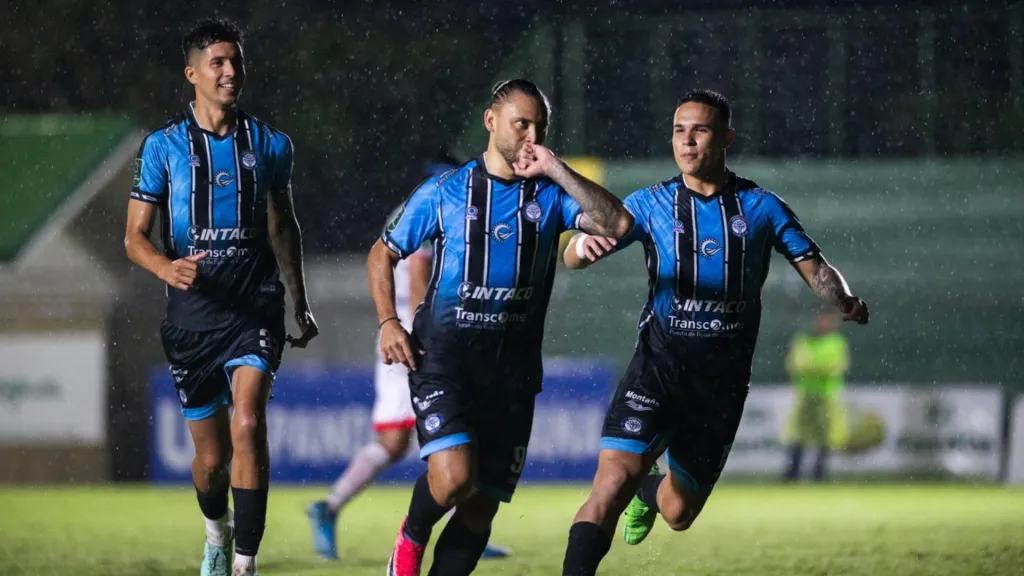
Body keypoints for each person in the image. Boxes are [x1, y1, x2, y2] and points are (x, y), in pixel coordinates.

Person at [558, 89, 869, 575]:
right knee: (608, 486)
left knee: (678, 514)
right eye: (679, 131)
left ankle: (650, 489)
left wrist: (844, 299)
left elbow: (815, 267)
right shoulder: (651, 204)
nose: (687, 141)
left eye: (699, 130)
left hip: (719, 388)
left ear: (726, 137)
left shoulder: (762, 208)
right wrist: (581, 249)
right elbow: (574, 253)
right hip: (656, 373)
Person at [368, 79, 634, 576]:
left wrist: (555, 166)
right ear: (491, 122)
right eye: (521, 123)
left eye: (540, 127)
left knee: (480, 505)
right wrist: (389, 321)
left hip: (511, 371)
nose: (531, 134)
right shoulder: (447, 191)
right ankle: (411, 535)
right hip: (444, 359)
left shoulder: (550, 197)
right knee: (453, 479)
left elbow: (617, 224)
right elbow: (383, 252)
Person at [123, 18, 318, 576]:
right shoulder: (161, 148)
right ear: (193, 74)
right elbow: (134, 238)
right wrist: (166, 265)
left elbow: (284, 226)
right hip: (191, 319)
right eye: (218, 63)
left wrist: (298, 302)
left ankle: (245, 563)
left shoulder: (270, 144)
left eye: (236, 61)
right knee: (211, 462)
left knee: (249, 421)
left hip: (254, 306)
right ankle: (217, 529)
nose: (231, 71)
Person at [305, 152, 511, 561]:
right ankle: (330, 506)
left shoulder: (416, 205)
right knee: (412, 437)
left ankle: (463, 526)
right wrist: (428, 333)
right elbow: (419, 275)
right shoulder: (440, 203)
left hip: (405, 331)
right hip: (415, 338)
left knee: (436, 436)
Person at [781, 310, 850, 482]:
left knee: (824, 437)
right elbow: (794, 364)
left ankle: (819, 474)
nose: (824, 323)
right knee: (798, 435)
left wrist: (811, 367)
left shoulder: (836, 342)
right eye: (822, 319)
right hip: (804, 395)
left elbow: (835, 366)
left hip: (827, 396)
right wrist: (818, 368)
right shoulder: (803, 340)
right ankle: (792, 473)